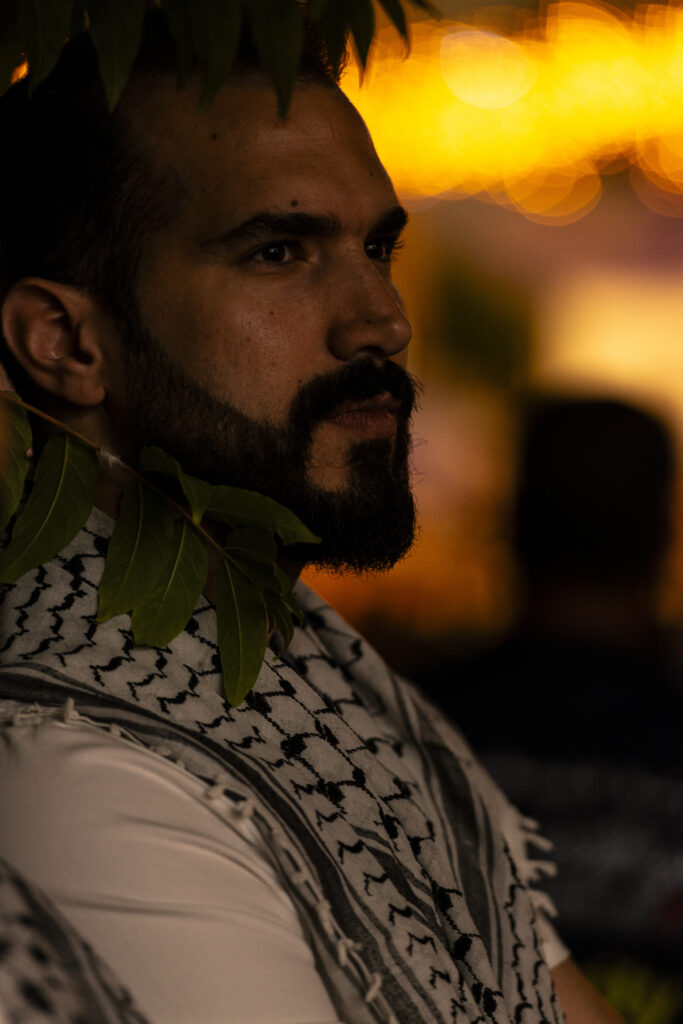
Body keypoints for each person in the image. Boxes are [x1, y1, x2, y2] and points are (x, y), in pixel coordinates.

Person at [0, 13, 622, 1024]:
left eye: (376, 246)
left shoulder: (333, 687)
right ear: (65, 341)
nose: (382, 318)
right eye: (279, 250)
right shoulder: (71, 760)